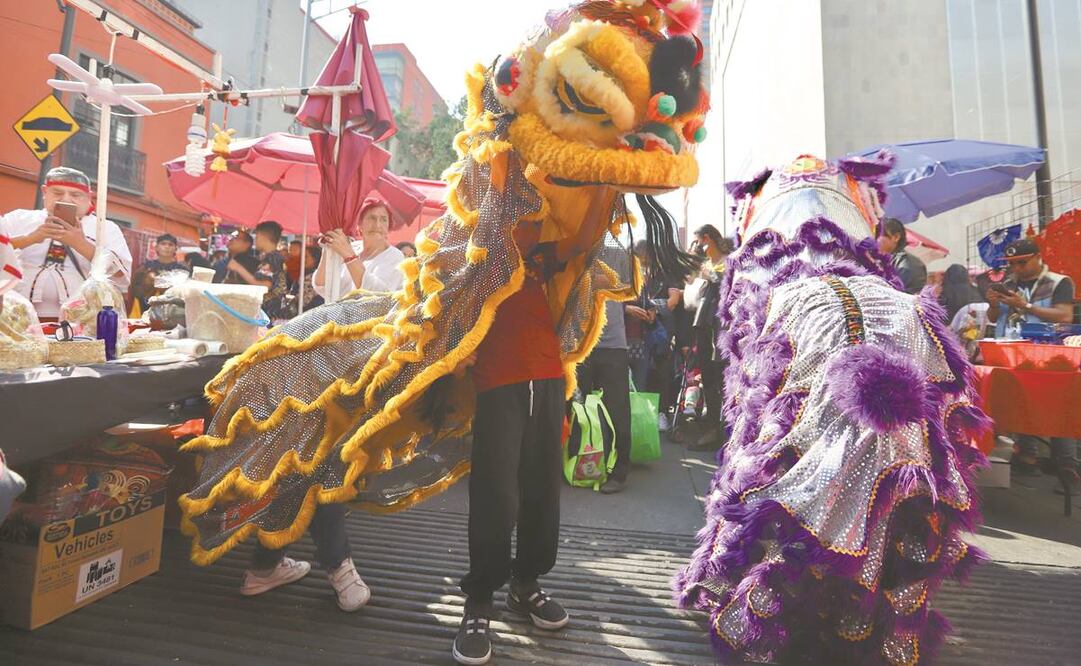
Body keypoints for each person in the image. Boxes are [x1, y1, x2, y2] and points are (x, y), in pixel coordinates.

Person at [454, 187, 615, 665]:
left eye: (532, 214)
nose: (528, 220)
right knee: (496, 493)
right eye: (519, 213)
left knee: (543, 489)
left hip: (547, 380)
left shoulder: (541, 257)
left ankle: (526, 584)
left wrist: (606, 185)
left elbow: (585, 240)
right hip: (497, 384)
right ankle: (480, 596)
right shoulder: (477, 257)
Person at [986, 238, 1077, 480]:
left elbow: (1065, 316)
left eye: (1022, 263)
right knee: (1021, 403)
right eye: (1011, 264)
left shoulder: (1058, 282)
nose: (1016, 269)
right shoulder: (1008, 283)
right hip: (1014, 356)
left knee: (1056, 407)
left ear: (1038, 257)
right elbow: (995, 317)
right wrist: (993, 305)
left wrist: (1024, 305)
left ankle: (1067, 463)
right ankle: (1027, 454)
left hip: (1050, 358)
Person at [3, 166, 132, 321]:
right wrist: (32, 238)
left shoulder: (104, 228)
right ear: (45, 192)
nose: (65, 199)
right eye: (57, 193)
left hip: (82, 321)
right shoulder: (18, 219)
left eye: (75, 195)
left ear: (89, 197)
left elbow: (120, 275)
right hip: (16, 318)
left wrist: (79, 243)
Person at [576, 300, 633, 494]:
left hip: (612, 345)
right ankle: (577, 462)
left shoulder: (621, 267)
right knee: (577, 408)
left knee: (617, 410)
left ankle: (619, 472)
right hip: (580, 341)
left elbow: (628, 286)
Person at [687, 224, 731, 452]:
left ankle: (724, 429)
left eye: (698, 242)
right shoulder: (703, 263)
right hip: (703, 324)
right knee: (708, 377)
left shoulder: (728, 259)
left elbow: (728, 283)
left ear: (708, 239)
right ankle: (713, 426)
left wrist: (710, 273)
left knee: (721, 377)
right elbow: (688, 281)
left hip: (721, 326)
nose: (698, 247)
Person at [315, 199, 405, 299]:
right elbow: (321, 286)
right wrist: (328, 250)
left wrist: (349, 257)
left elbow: (379, 296)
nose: (377, 225)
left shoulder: (395, 256)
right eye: (372, 218)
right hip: (338, 313)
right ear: (359, 224)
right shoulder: (352, 247)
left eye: (383, 219)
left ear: (389, 225)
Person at [227, 221, 289, 320]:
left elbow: (265, 285)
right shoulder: (275, 257)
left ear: (263, 236)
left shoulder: (271, 258)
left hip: (271, 311)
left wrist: (238, 268)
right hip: (276, 309)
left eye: (257, 236)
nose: (256, 240)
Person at [877, 217, 927, 294]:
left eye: (878, 235)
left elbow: (894, 295)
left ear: (896, 237)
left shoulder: (907, 265)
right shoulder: (884, 261)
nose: (874, 240)